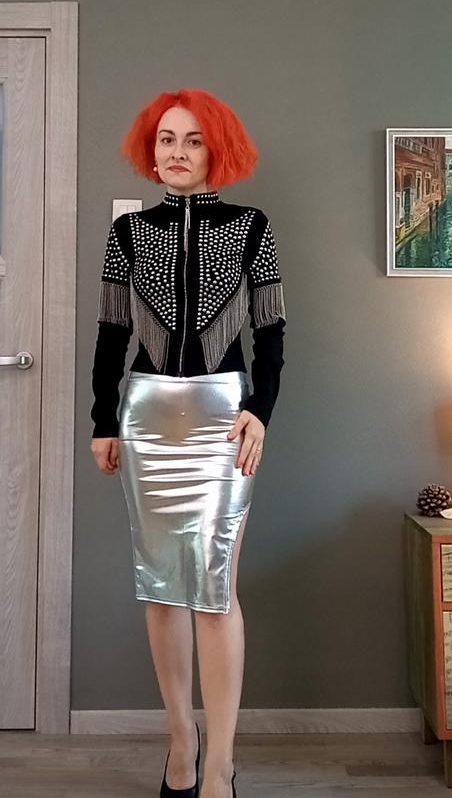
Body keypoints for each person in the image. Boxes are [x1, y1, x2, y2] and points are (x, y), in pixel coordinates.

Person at [90, 88, 286, 798]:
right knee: (161, 590)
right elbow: (111, 334)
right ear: (152, 149)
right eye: (167, 139)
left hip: (223, 416)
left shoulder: (252, 228)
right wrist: (103, 421)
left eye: (193, 140)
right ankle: (181, 744)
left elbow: (271, 331)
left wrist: (260, 410)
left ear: (216, 150)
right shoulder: (128, 233)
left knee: (213, 589)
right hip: (147, 418)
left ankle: (221, 763)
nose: (177, 152)